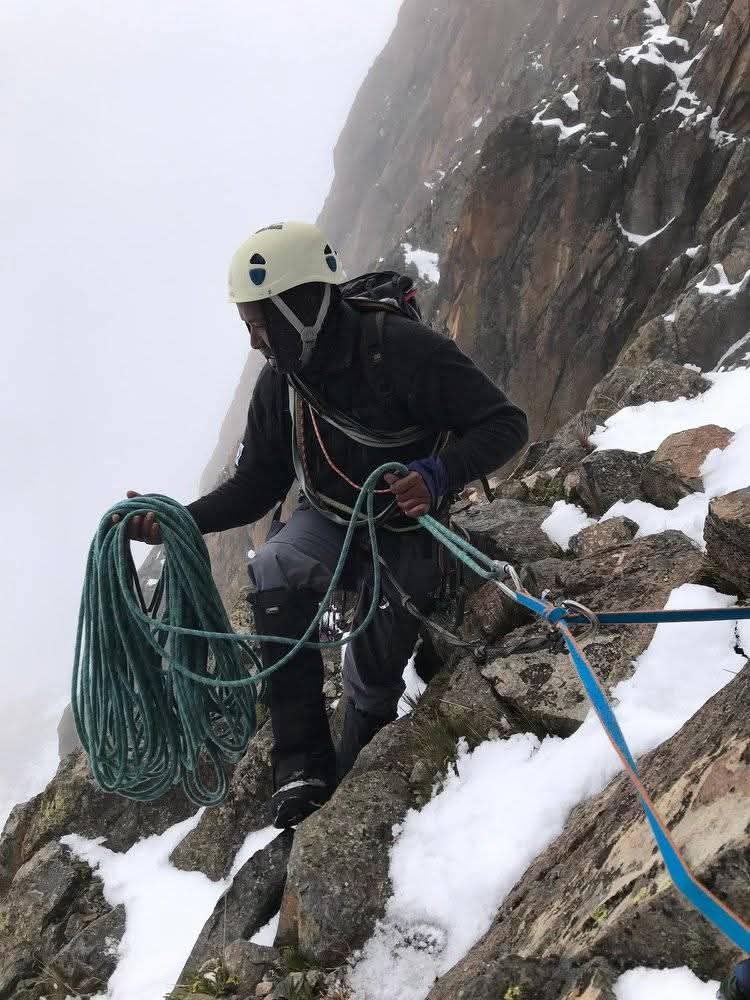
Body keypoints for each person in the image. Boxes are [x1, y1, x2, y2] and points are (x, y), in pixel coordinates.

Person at [119, 221, 528, 827]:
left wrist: (438, 475)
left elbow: (504, 424)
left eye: (260, 324)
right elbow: (258, 485)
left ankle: (359, 769)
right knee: (274, 565)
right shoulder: (283, 383)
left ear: (299, 307)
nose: (256, 342)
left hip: (405, 530)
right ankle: (302, 768)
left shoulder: (404, 352)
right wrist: (181, 520)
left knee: (369, 679)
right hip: (331, 519)